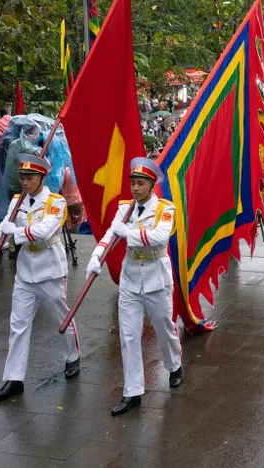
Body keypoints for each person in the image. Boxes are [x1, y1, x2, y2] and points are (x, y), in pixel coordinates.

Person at [87, 158, 183, 416]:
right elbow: (111, 234)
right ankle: (132, 391)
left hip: (156, 278)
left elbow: (159, 237)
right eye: (133, 183)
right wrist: (97, 256)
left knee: (164, 327)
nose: (136, 188)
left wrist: (126, 233)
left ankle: (174, 364)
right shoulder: (124, 209)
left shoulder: (165, 208)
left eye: (141, 184)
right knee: (128, 336)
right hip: (130, 278)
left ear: (152, 185)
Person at [0, 154, 80, 402]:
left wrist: (15, 232)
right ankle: (14, 378)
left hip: (50, 270)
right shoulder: (18, 202)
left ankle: (72, 356)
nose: (24, 182)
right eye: (22, 177)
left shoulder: (55, 202)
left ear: (41, 177)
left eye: (29, 178)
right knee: (18, 326)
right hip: (26, 272)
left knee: (62, 319)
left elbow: (43, 230)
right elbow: (2, 228)